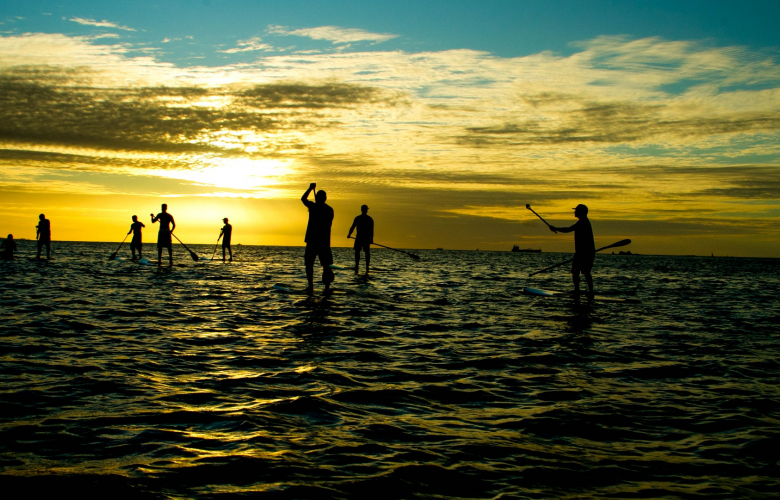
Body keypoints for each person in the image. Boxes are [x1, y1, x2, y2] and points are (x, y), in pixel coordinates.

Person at [550, 204, 595, 295]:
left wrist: (555, 228)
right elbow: (569, 229)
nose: (575, 212)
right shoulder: (582, 222)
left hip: (584, 253)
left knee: (581, 272)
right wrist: (555, 228)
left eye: (576, 210)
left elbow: (568, 229)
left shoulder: (583, 222)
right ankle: (585, 291)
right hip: (584, 252)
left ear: (581, 212)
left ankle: (584, 291)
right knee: (579, 272)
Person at [301, 183, 334, 294]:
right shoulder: (328, 209)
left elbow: (303, 199)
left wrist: (310, 188)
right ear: (325, 198)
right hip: (323, 242)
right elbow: (303, 200)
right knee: (323, 265)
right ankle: (324, 288)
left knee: (312, 265)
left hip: (315, 241)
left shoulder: (314, 207)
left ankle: (312, 286)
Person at [347, 204, 374, 273]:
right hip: (362, 238)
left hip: (361, 238)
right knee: (362, 252)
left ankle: (359, 266)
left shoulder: (362, 218)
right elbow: (353, 227)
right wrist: (349, 234)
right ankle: (364, 266)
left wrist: (349, 234)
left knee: (362, 252)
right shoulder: (368, 219)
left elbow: (371, 230)